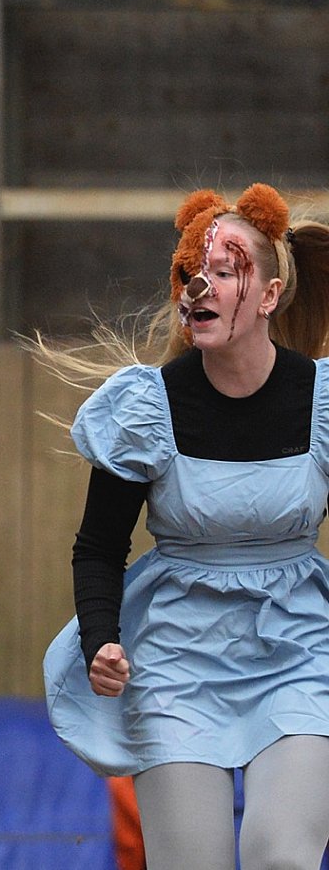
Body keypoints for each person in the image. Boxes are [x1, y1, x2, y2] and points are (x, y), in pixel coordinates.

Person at [33, 183, 329, 870]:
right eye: (190, 271)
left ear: (269, 295)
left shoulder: (319, 400)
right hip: (178, 660)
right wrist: (102, 640)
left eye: (224, 271)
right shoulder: (146, 406)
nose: (200, 284)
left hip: (299, 649)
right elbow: (99, 546)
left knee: (280, 857)